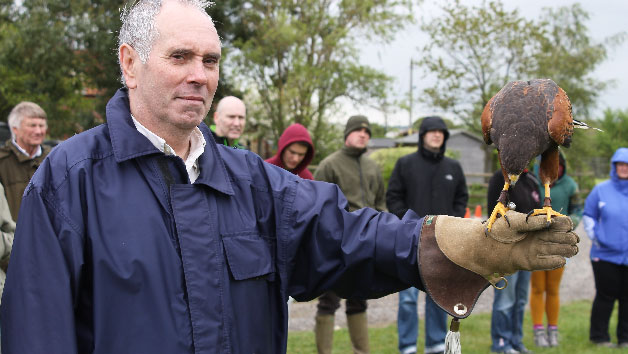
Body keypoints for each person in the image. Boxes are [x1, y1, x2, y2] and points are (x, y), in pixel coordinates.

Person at [1, 1, 579, 353]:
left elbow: (349, 235)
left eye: (211, 60)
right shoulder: (69, 179)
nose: (200, 75)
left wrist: (459, 241)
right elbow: (36, 334)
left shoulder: (250, 180)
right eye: (180, 57)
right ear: (130, 63)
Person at [386, 116, 468, 354]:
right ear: (422, 136)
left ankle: (434, 345)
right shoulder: (405, 164)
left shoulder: (453, 168)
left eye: (441, 132)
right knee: (408, 300)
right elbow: (393, 197)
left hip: (443, 244)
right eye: (431, 132)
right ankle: (408, 347)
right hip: (409, 243)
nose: (436, 135)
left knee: (437, 298)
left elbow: (461, 198)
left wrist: (451, 222)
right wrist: (409, 223)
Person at [312, 115, 385, 354]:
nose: (363, 134)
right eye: (358, 130)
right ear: (347, 134)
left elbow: (381, 204)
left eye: (367, 131)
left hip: (367, 247)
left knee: (359, 300)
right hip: (336, 247)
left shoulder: (373, 167)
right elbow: (317, 207)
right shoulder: (329, 165)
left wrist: (382, 232)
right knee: (328, 302)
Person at [530, 153, 581, 348]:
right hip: (535, 245)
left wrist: (569, 222)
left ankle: (553, 330)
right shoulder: (533, 182)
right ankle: (538, 330)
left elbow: (578, 210)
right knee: (537, 288)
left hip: (559, 245)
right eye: (550, 165)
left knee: (552, 289)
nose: (555, 169)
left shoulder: (570, 185)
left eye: (558, 165)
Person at [487, 168, 541, 354]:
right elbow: (493, 216)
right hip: (506, 252)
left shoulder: (532, 180)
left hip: (527, 252)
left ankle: (516, 340)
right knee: (505, 301)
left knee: (519, 301)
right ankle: (501, 343)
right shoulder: (500, 180)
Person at [583, 147, 628, 348]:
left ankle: (625, 338)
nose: (624, 168)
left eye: (627, 165)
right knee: (605, 296)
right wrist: (597, 238)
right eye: (620, 164)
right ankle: (599, 337)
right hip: (605, 255)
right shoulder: (600, 190)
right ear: (614, 166)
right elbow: (588, 215)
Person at [0, 101, 50, 220]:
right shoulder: (2, 162)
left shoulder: (54, 159)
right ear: (15, 129)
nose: (38, 131)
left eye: (41, 126)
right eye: (32, 125)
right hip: (15, 236)